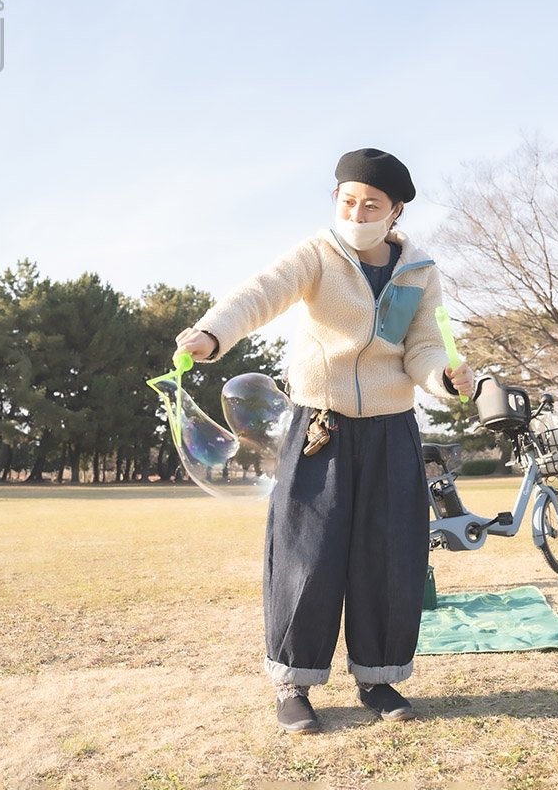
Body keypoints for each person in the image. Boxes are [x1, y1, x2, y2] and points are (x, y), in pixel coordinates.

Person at [175, 147, 474, 735]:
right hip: (322, 426)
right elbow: (259, 294)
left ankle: (378, 676)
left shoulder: (420, 271)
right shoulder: (316, 255)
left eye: (371, 204)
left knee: (389, 555)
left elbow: (423, 348)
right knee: (306, 553)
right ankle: (293, 681)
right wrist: (213, 332)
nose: (357, 212)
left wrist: (443, 377)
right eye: (347, 201)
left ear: (396, 212)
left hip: (392, 427)